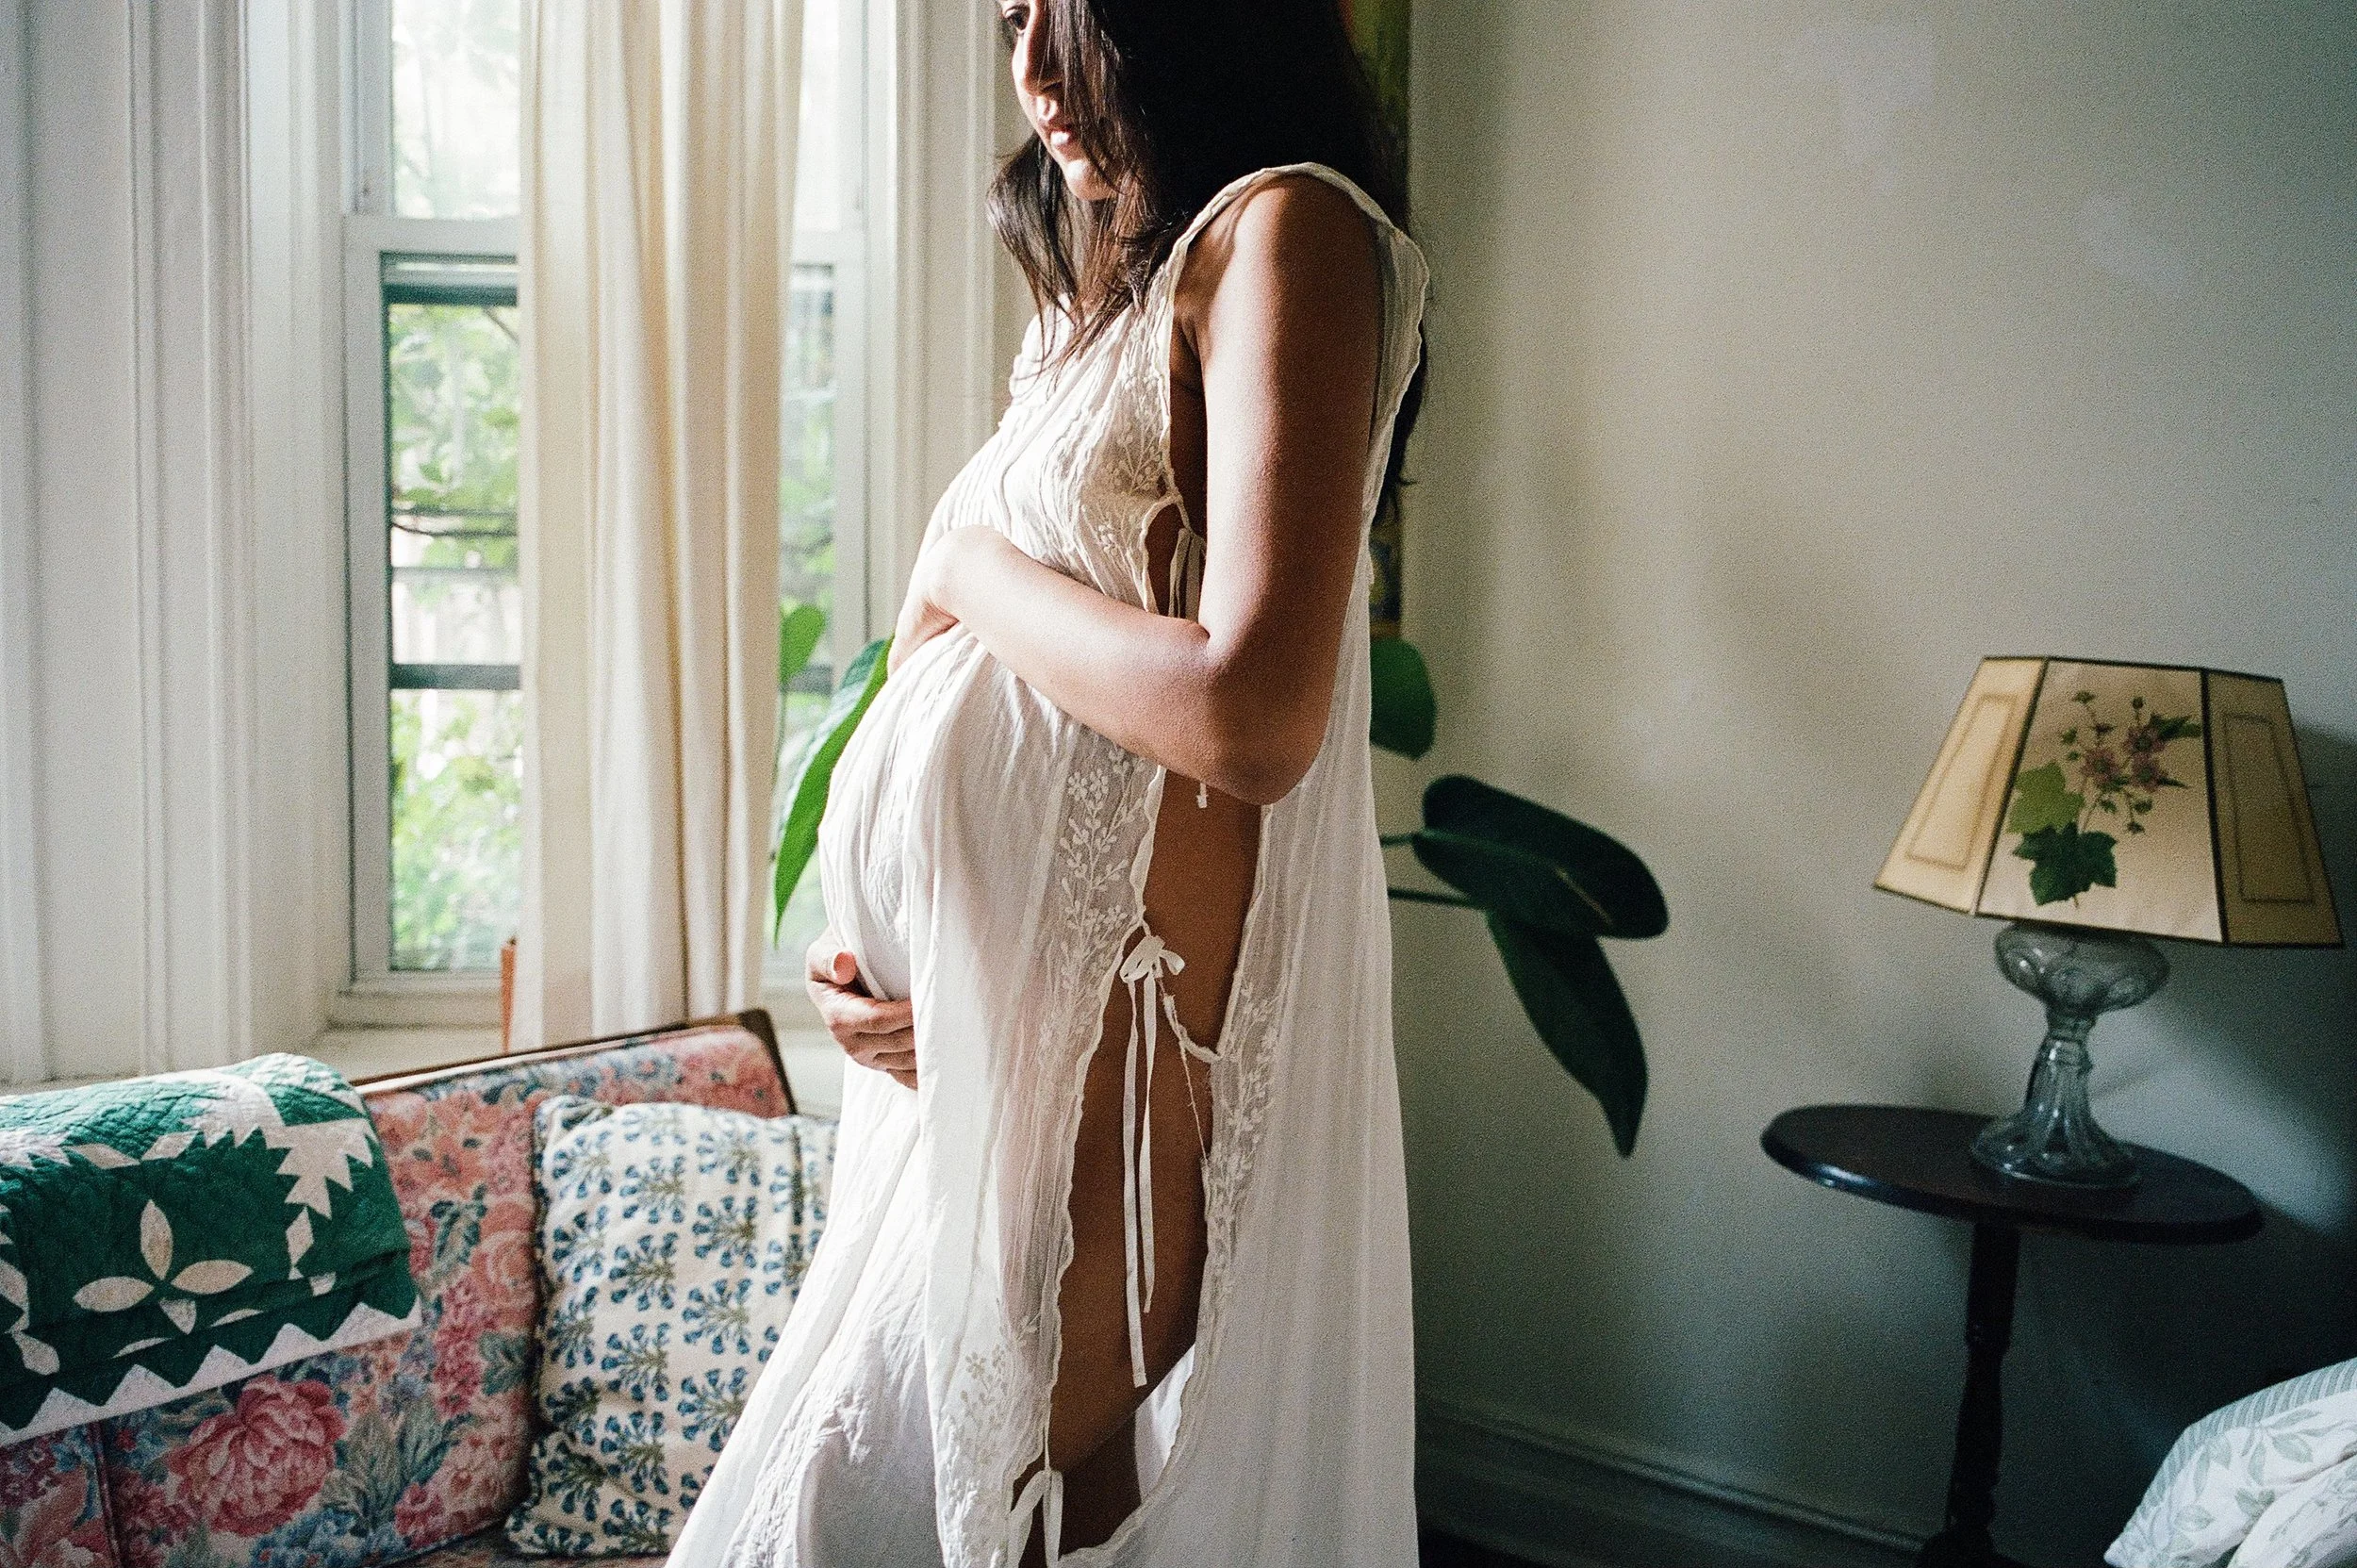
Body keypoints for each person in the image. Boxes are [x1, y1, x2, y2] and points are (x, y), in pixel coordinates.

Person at [670, 0, 1427, 1562]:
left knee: (915, 1514)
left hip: (1123, 1066)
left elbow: (1252, 714)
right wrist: (883, 950)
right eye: (1002, 15)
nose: (1025, 70)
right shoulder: (1098, 298)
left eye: (1059, 11)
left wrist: (964, 560)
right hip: (971, 1064)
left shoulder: (1292, 232)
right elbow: (947, 652)